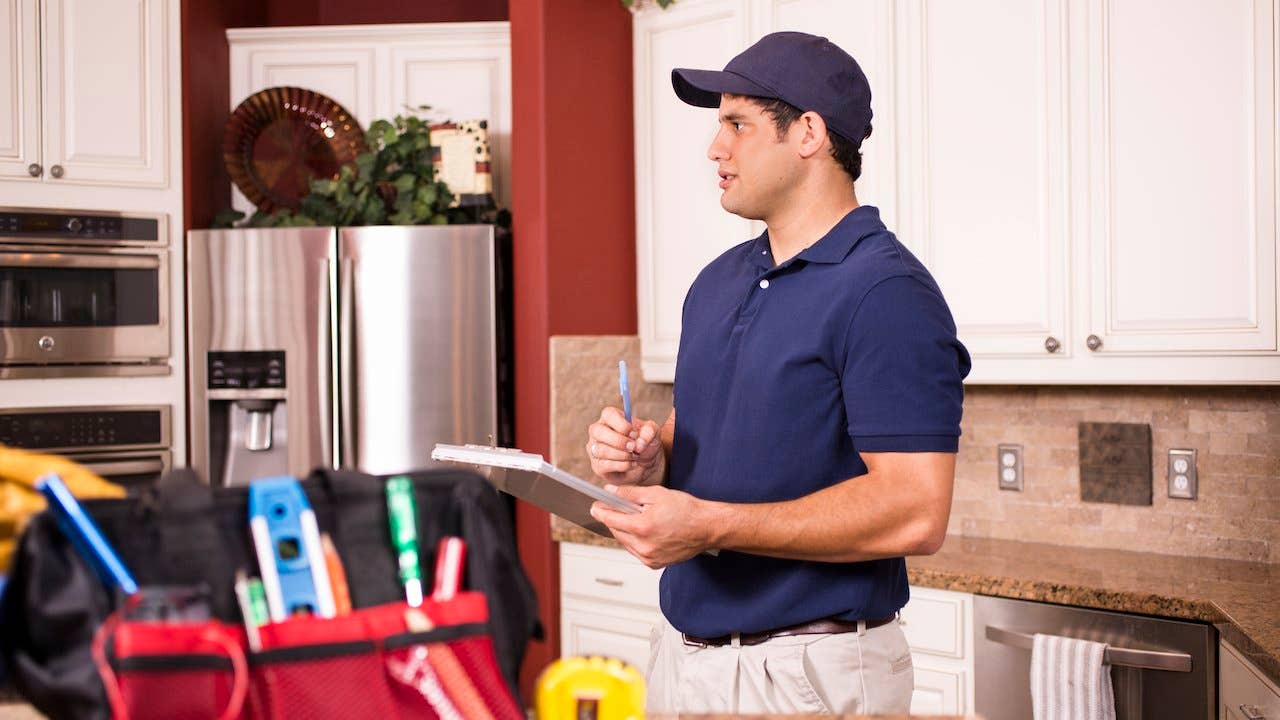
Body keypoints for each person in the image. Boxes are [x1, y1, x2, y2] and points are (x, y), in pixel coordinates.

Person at [584, 31, 972, 715]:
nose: (715, 148)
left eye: (737, 124)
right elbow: (706, 433)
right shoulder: (717, 282)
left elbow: (916, 510)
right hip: (686, 660)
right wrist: (650, 457)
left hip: (808, 677)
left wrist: (708, 525)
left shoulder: (885, 293)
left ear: (809, 134)